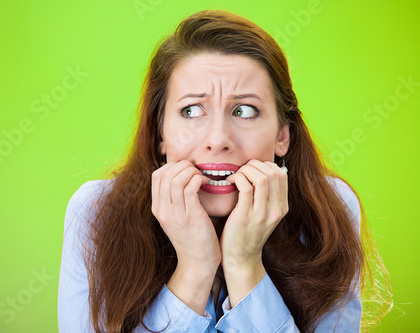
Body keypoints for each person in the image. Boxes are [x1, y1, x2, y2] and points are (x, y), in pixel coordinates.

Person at [58, 10, 391, 333]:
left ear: (282, 136)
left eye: (244, 110)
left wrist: (244, 265)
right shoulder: (96, 211)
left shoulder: (329, 209)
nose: (217, 140)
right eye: (191, 110)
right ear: (160, 133)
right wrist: (195, 267)